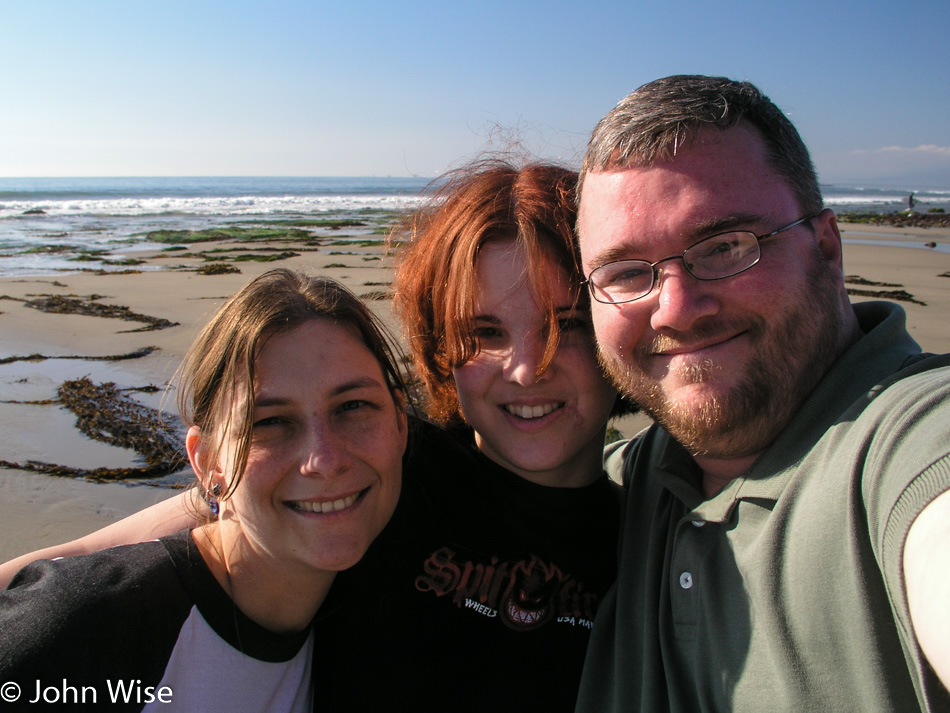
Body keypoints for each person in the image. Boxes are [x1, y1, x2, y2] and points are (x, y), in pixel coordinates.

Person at [1, 162, 628, 712]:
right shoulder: (387, 465)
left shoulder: (661, 532)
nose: (526, 367)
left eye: (566, 325)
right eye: (485, 333)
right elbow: (146, 547)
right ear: (440, 349)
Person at [573, 74, 950, 712]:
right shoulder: (618, 487)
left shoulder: (910, 442)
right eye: (627, 272)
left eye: (725, 246)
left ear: (826, 249)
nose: (677, 310)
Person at [0, 269, 407, 712]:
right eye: (268, 422)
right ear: (206, 460)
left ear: (402, 423)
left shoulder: (375, 623)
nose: (325, 460)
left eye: (353, 406)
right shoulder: (89, 629)